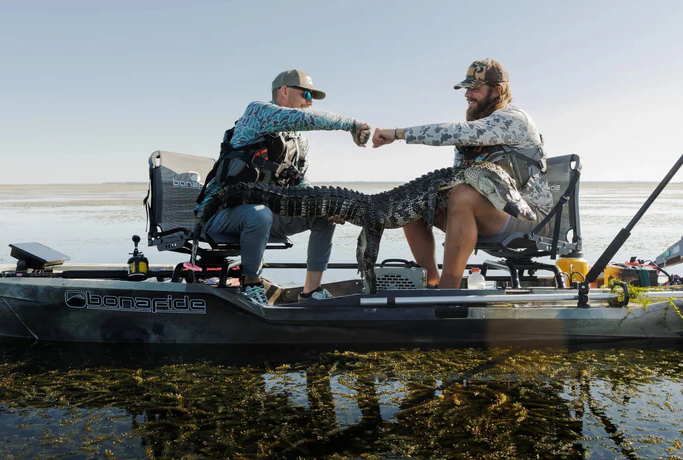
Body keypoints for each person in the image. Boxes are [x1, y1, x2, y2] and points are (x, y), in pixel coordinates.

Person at [371, 59, 552, 289]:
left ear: (497, 91)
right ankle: (431, 283)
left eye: (474, 89)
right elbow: (457, 174)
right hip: (488, 213)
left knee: (463, 194)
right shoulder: (472, 134)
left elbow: (455, 132)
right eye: (466, 89)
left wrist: (398, 133)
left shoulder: (514, 119)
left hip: (528, 217)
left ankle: (448, 291)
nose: (467, 95)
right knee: (416, 204)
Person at [196, 70, 371, 304]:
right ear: (284, 91)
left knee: (323, 215)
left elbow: (301, 185)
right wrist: (351, 125)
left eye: (312, 97)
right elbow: (306, 119)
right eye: (306, 94)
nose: (309, 102)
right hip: (220, 213)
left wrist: (325, 206)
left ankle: (311, 292)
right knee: (260, 214)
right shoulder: (257, 113)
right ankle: (251, 285)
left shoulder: (299, 142)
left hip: (264, 218)